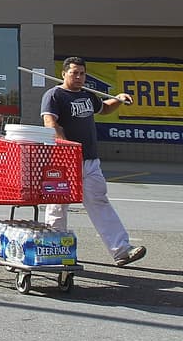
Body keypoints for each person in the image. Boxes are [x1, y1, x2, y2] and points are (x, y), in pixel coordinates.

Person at [41, 56, 147, 267]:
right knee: (57, 207)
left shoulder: (88, 96)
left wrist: (117, 99)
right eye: (74, 73)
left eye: (82, 73)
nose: (79, 77)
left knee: (99, 202)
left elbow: (104, 109)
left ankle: (122, 250)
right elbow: (49, 122)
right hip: (63, 161)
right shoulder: (54, 95)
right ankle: (55, 250)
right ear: (64, 74)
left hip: (90, 160)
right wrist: (65, 145)